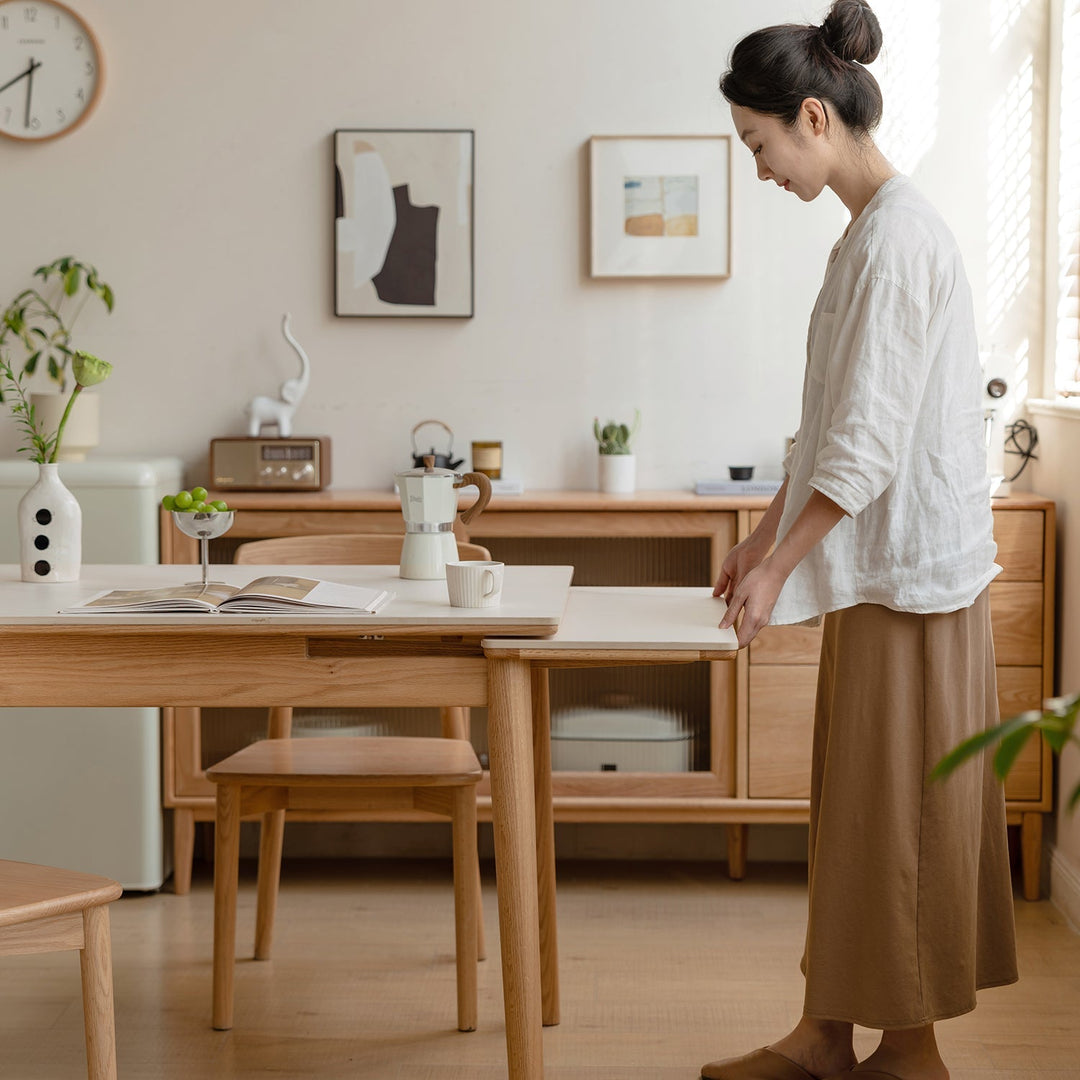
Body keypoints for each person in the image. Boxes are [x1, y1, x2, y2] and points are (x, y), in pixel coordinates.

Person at [704, 3, 1018, 1078]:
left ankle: (912, 1050)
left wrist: (783, 562)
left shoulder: (900, 238)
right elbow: (828, 419)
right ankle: (828, 1034)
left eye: (758, 146)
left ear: (810, 116)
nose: (758, 170)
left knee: (904, 819)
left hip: (914, 583)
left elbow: (870, 442)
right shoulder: (867, 237)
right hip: (878, 575)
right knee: (857, 813)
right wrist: (760, 537)